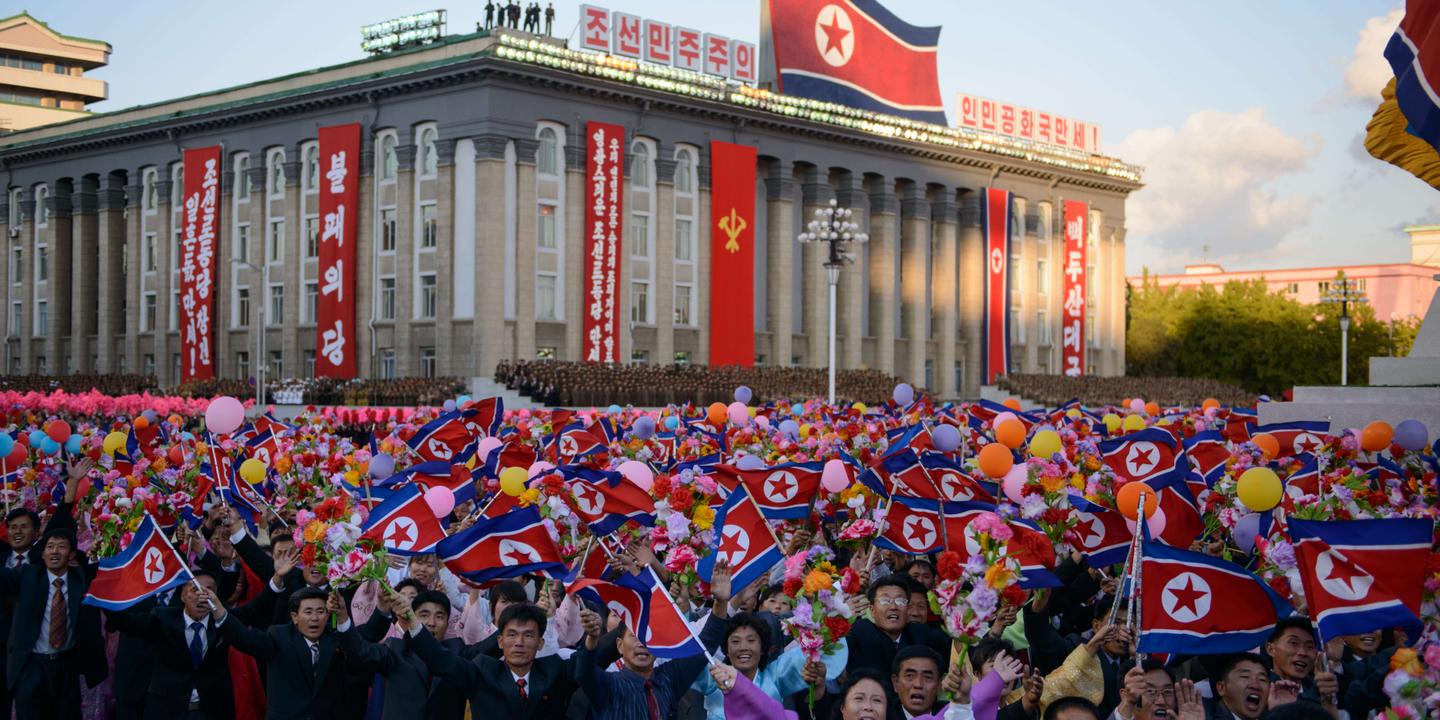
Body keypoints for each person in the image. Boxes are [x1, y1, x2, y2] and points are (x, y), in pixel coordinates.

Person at [101, 563, 287, 720]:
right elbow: (127, 622)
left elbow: (256, 608)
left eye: (209, 590)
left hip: (212, 711)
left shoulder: (224, 621)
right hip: (167, 710)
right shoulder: (162, 619)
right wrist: (102, 594)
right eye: (194, 589)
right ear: (183, 596)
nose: (202, 595)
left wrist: (278, 578)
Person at [211, 586, 386, 719]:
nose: (315, 618)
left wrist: (383, 609)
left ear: (327, 615)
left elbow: (368, 634)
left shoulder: (336, 638)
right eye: (308, 612)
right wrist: (219, 611)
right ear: (295, 617)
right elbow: (246, 639)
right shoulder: (278, 636)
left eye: (320, 611)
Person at [400, 595, 576, 720]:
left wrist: (589, 640)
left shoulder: (555, 670)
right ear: (500, 641)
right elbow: (442, 660)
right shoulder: (482, 672)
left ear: (540, 643)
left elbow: (586, 667)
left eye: (528, 635)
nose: (519, 642)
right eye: (512, 635)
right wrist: (411, 619)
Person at [0, 458, 81, 719]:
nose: (17, 532)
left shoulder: (39, 561)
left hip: (38, 654)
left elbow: (59, 525)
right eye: (12, 528)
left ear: (37, 533)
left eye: (24, 527)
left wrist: (73, 483)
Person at [0, 526, 107, 720]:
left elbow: (105, 571)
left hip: (66, 667)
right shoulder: (28, 576)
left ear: (71, 554)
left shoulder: (81, 580)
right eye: (49, 547)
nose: (55, 551)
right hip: (32, 667)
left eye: (61, 547)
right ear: (42, 554)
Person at [688, 610, 840, 720]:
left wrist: (817, 684)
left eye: (751, 640)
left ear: (762, 648)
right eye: (735, 641)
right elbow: (686, 660)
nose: (743, 647)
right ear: (726, 650)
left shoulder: (775, 677)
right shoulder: (715, 677)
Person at [355, 589, 477, 720]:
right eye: (424, 615)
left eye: (439, 617)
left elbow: (486, 648)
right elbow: (359, 651)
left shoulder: (458, 651)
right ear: (412, 618)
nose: (431, 623)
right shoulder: (394, 650)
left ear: (448, 624)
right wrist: (343, 621)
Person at [844, 574, 950, 678]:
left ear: (907, 608)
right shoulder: (860, 633)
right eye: (885, 601)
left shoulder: (921, 634)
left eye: (900, 601)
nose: (893, 607)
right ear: (872, 610)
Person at [1264, 618, 1339, 714]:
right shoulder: (1260, 688)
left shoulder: (1321, 689)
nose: (1303, 653)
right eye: (1293, 643)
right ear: (1270, 649)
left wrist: (1328, 701)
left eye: (1310, 646)